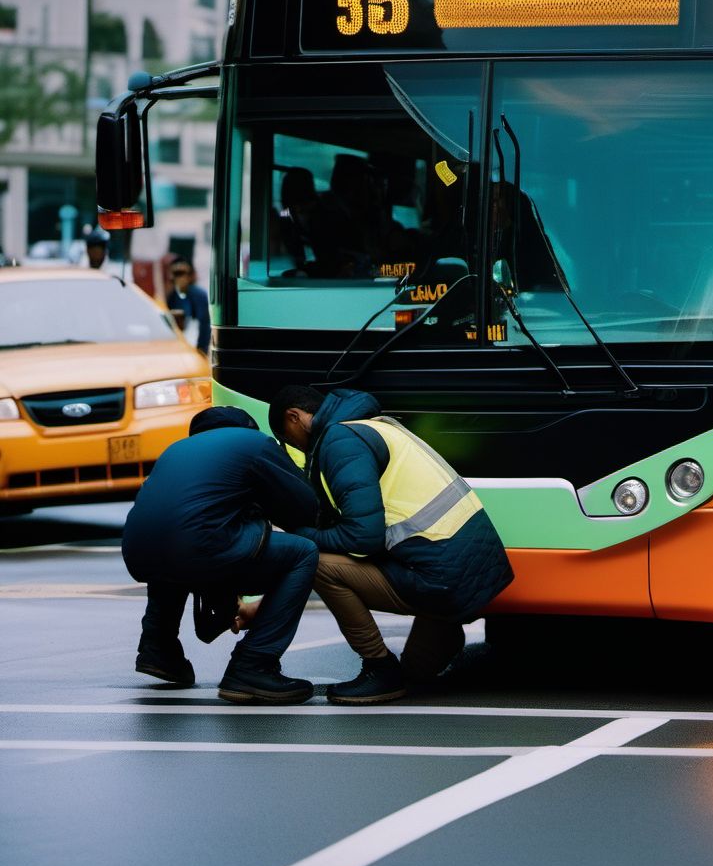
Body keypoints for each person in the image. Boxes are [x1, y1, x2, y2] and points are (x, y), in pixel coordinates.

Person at [268, 385, 514, 705]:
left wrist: (301, 535)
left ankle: (379, 668)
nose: (297, 448)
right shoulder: (378, 425)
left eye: (289, 440)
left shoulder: (340, 440)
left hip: (441, 580)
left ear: (295, 417)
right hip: (473, 571)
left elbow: (363, 537)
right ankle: (444, 628)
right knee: (416, 674)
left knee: (318, 562)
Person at [121, 405, 320, 704]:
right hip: (199, 545)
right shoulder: (254, 443)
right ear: (247, 427)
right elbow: (306, 507)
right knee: (303, 553)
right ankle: (254, 663)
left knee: (171, 552)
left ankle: (158, 649)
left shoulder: (176, 450)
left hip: (137, 551)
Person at [166, 257, 211, 355]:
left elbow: (204, 325)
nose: (180, 278)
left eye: (182, 273)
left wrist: (201, 351)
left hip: (193, 348)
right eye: (176, 274)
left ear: (190, 276)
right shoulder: (171, 295)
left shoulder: (198, 294)